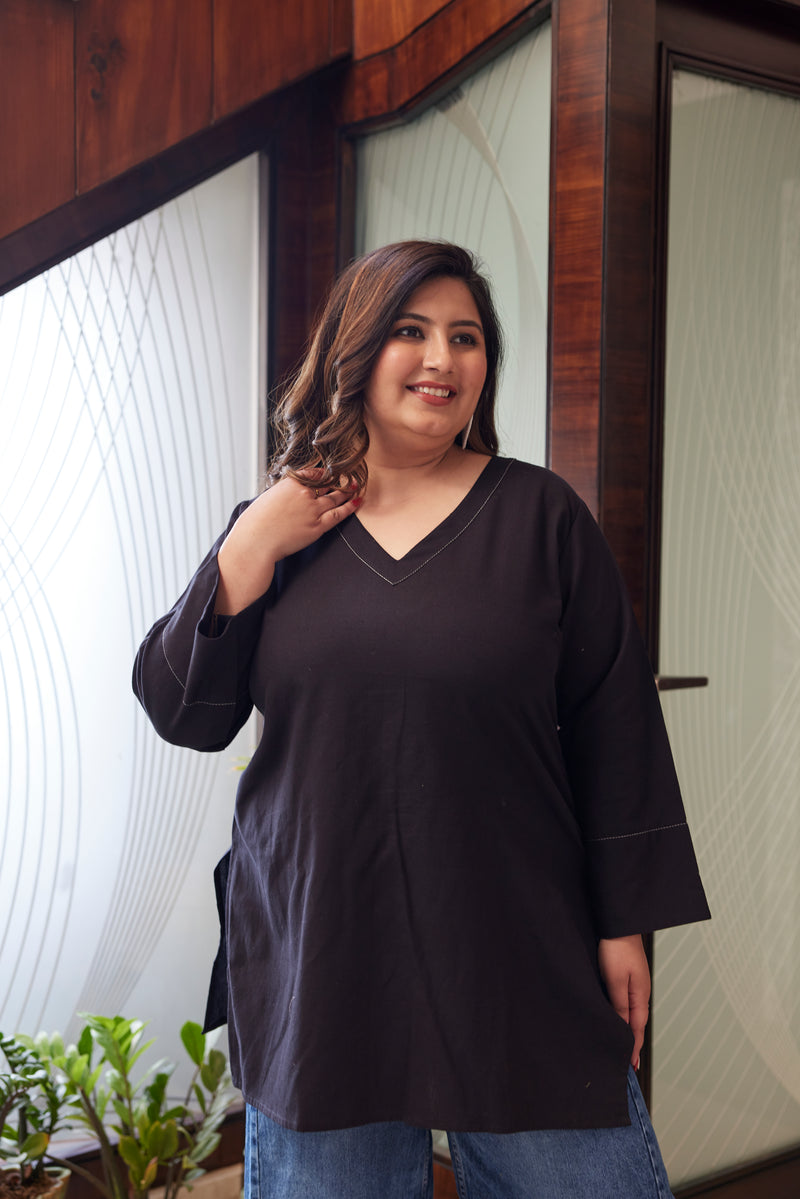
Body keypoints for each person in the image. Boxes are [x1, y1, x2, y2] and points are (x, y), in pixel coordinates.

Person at [133, 240, 710, 1199]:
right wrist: (252, 541)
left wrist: (623, 925)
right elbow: (180, 710)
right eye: (412, 330)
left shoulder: (543, 519)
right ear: (356, 351)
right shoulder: (279, 526)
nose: (442, 358)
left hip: (519, 941)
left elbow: (616, 729)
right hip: (321, 951)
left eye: (465, 337)